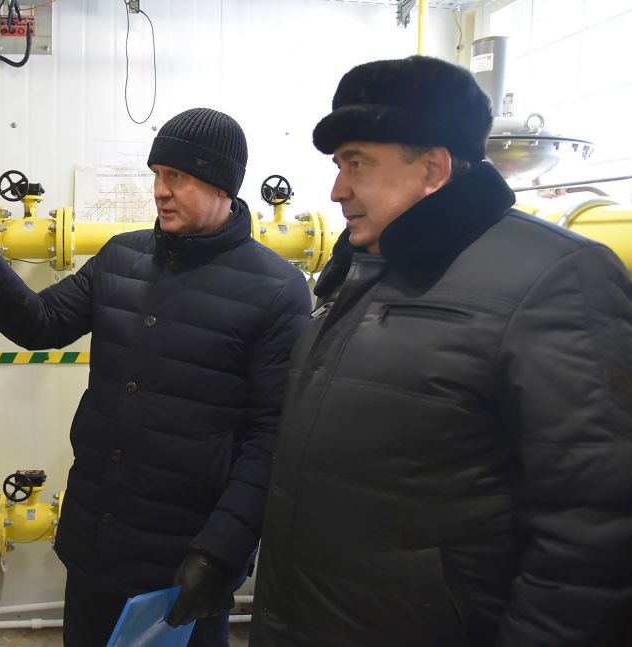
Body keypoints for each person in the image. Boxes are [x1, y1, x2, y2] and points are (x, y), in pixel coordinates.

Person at [251, 55, 632, 646]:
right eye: (338, 165)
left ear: (432, 168)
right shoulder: (364, 267)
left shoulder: (558, 278)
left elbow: (592, 530)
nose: (337, 190)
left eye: (357, 163)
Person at [0, 108, 312, 646]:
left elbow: (271, 438)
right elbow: (39, 323)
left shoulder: (276, 288)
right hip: (95, 539)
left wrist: (220, 553)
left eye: (176, 177)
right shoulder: (121, 256)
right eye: (157, 174)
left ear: (222, 184)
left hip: (185, 557)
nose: (159, 191)